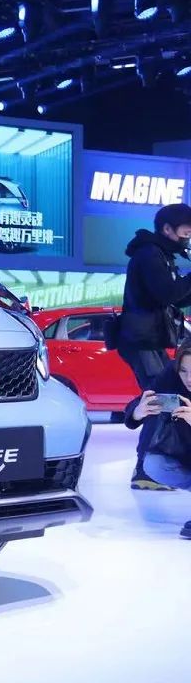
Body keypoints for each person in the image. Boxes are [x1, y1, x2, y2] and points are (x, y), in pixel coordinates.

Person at [117, 203, 191, 490]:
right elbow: (167, 293)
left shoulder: (159, 254)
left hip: (150, 340)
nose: (187, 239)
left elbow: (175, 297)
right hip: (142, 341)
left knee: (161, 400)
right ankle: (144, 470)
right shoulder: (149, 254)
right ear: (167, 229)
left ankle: (153, 465)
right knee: (157, 401)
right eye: (185, 233)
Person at [124, 339, 191, 539]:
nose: (189, 378)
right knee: (155, 465)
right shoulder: (171, 374)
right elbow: (144, 399)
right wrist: (138, 412)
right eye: (184, 371)